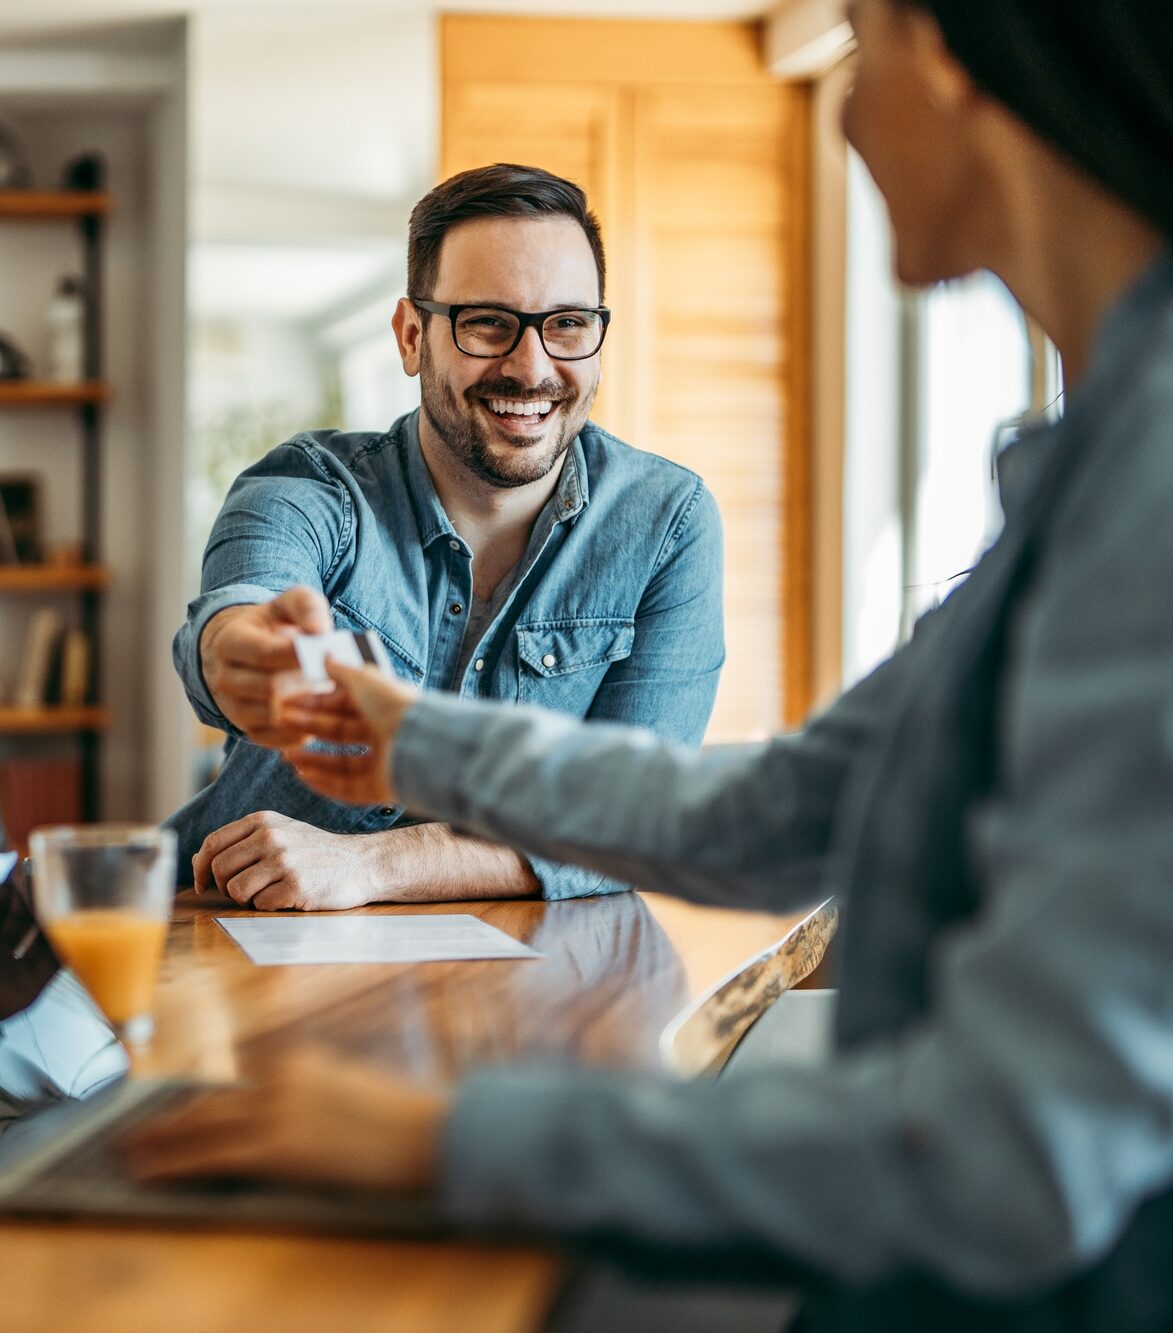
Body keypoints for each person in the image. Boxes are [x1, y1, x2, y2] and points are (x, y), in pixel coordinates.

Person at [128, 0, 1173, 1325]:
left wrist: (442, 1141)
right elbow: (770, 810)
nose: (843, 112)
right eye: (488, 325)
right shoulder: (1089, 466)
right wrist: (395, 732)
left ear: (955, 59)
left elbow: (1013, 1153)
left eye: (854, 44)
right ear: (413, 336)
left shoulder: (1145, 484)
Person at [167, 163, 724, 910]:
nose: (531, 367)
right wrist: (239, 654)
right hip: (231, 937)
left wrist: (369, 865)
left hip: (537, 986)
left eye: (566, 324)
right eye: (488, 322)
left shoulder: (667, 522)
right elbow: (242, 606)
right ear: (410, 336)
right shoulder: (315, 487)